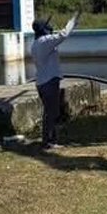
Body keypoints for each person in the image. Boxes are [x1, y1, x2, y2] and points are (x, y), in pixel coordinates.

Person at [31, 11, 80, 149]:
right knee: (51, 113)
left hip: (42, 82)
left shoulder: (37, 43)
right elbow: (63, 34)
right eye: (47, 26)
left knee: (50, 112)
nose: (50, 28)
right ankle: (49, 142)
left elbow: (55, 39)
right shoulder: (44, 42)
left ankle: (50, 140)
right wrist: (73, 21)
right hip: (49, 82)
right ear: (43, 29)